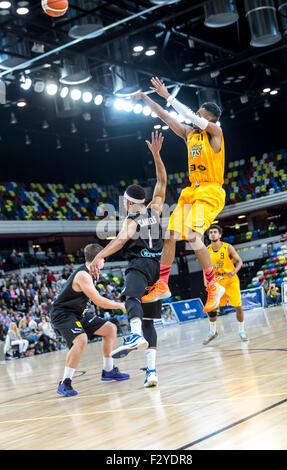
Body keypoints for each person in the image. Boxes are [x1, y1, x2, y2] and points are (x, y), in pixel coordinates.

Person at [131, 77, 225, 313]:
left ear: (209, 118)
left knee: (193, 234)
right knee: (170, 235)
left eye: (200, 114)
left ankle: (213, 286)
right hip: (191, 191)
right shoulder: (189, 134)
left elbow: (192, 117)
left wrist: (169, 96)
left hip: (210, 190)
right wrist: (145, 98)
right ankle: (163, 284)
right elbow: (165, 116)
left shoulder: (215, 133)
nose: (194, 116)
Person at [90, 132, 167, 388]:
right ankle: (152, 372)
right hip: (157, 269)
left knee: (130, 299)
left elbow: (122, 241)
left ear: (129, 202)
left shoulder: (131, 219)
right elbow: (162, 181)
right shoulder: (155, 209)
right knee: (149, 323)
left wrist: (100, 255)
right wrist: (156, 155)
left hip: (140, 266)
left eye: (124, 200)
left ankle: (133, 337)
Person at [51, 243, 129, 398]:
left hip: (79, 313)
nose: (104, 262)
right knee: (81, 340)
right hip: (63, 313)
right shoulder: (83, 275)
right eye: (103, 258)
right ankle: (65, 382)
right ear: (97, 258)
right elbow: (98, 301)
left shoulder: (93, 272)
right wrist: (121, 305)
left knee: (110, 329)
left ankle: (108, 370)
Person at [203, 224, 249, 345]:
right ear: (208, 235)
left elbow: (239, 261)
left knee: (238, 306)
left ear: (220, 235)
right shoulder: (206, 250)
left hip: (231, 281)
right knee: (212, 308)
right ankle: (213, 332)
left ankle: (242, 331)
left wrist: (234, 271)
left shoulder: (228, 247)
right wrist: (205, 281)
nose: (212, 234)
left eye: (215, 232)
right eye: (211, 232)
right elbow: (205, 268)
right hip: (217, 283)